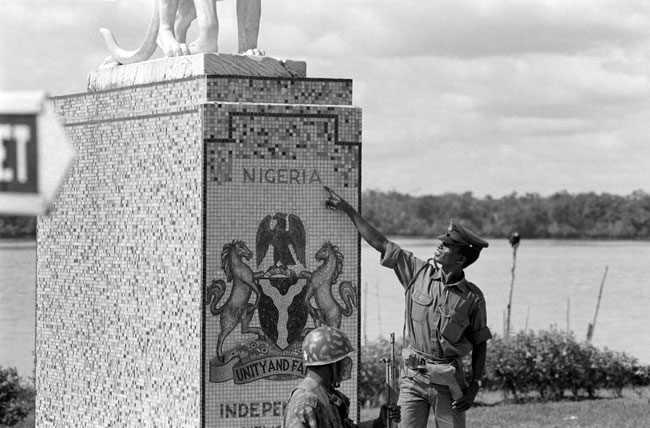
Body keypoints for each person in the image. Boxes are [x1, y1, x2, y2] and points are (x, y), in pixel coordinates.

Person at [324, 187, 492, 428]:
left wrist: (474, 387)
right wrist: (348, 209)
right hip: (413, 379)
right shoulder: (417, 273)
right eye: (442, 241)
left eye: (447, 245)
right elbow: (382, 244)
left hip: (449, 383)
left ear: (461, 259)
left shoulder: (473, 298)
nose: (440, 245)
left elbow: (480, 343)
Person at [283, 326, 401, 428]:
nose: (344, 367)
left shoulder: (326, 395)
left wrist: (379, 422)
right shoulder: (305, 402)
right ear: (329, 363)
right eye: (341, 361)